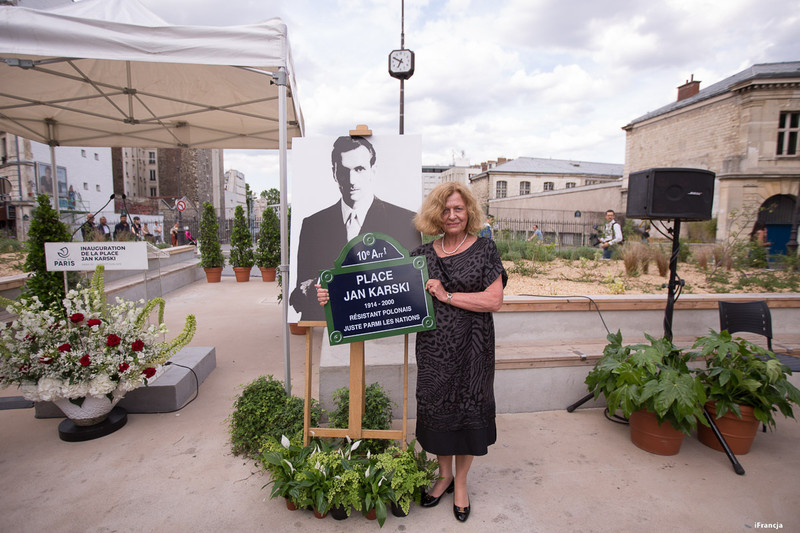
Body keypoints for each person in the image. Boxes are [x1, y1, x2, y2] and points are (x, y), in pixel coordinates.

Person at [317, 182, 506, 523]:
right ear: (436, 214)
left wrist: (447, 295)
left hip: (474, 351)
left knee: (468, 413)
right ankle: (443, 475)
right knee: (439, 415)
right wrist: (335, 297)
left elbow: (494, 300)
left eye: (458, 209)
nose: (452, 215)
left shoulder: (485, 250)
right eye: (445, 210)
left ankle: (460, 483)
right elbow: (380, 295)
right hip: (435, 353)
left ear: (469, 213)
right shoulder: (421, 257)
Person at [290, 135, 421, 321]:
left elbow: (412, 288)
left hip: (382, 332)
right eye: (344, 170)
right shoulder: (313, 225)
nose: (351, 180)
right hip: (330, 332)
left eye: (359, 169)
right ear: (334, 172)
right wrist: (314, 289)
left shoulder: (405, 221)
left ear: (373, 171)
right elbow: (298, 297)